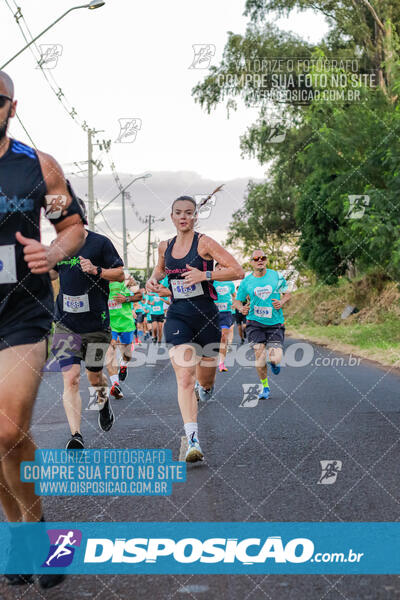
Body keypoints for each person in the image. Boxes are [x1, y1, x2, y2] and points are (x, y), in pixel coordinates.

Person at [0, 70, 85, 588]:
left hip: (20, 309)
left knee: (8, 429)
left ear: (12, 105)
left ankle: (34, 530)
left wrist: (52, 250)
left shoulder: (38, 166)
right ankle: (19, 537)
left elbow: (71, 225)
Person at [146, 193, 244, 462]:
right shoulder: (165, 246)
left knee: (205, 379)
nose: (183, 217)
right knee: (185, 377)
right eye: (179, 212)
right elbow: (160, 269)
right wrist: (152, 280)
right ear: (172, 216)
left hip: (207, 315)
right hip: (178, 315)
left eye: (189, 212)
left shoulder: (205, 243)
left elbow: (238, 271)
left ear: (195, 216)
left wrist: (206, 274)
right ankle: (193, 440)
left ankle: (207, 390)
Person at [50, 225, 124, 449]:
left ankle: (103, 404)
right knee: (71, 378)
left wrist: (96, 271)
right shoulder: (58, 245)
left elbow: (120, 273)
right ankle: (76, 435)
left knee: (94, 377)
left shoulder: (100, 242)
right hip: (65, 325)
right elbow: (52, 272)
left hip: (95, 325)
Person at [235, 250, 291, 400]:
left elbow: (287, 293)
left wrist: (282, 302)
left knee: (275, 358)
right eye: (256, 258)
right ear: (251, 263)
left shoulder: (276, 276)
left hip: (275, 323)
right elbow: (237, 300)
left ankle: (274, 363)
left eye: (263, 258)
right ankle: (265, 387)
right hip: (254, 323)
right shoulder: (247, 282)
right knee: (259, 358)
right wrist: (241, 308)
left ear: (266, 260)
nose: (260, 260)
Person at [106, 275, 142, 399]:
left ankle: (123, 366)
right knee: (110, 351)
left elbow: (139, 296)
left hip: (126, 324)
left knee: (127, 355)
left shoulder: (126, 280)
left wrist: (126, 298)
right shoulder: (98, 282)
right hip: (109, 324)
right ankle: (115, 384)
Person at [213, 263, 236, 372]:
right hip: (212, 313)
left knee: (223, 337)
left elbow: (235, 296)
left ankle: (221, 363)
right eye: (218, 267)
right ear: (215, 269)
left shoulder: (230, 283)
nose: (220, 268)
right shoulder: (211, 282)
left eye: (222, 267)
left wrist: (235, 303)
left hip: (226, 313)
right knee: (212, 337)